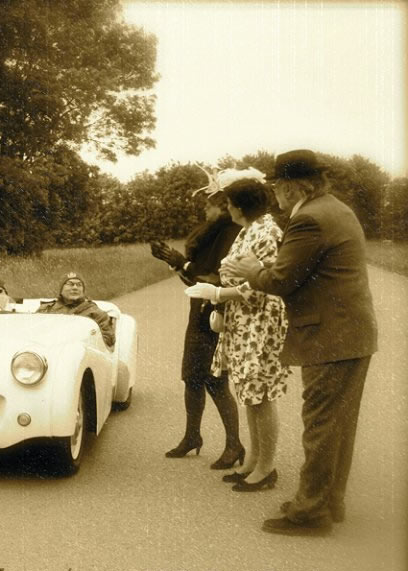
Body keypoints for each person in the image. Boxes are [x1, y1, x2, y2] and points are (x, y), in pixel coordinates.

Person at [222, 149, 378, 536]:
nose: (274, 193)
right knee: (338, 427)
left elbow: (280, 280)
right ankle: (328, 502)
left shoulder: (308, 219)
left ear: (292, 187)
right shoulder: (336, 208)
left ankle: (309, 514)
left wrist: (252, 269)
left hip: (330, 337)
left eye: (277, 186)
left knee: (320, 426)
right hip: (352, 334)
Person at [186, 176, 290, 493]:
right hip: (245, 319)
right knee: (249, 392)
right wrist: (221, 300)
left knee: (261, 394)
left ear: (240, 207)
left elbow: (264, 283)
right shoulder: (249, 229)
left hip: (261, 320)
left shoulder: (267, 232)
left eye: (230, 203)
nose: (227, 208)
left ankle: (266, 468)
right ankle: (253, 461)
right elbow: (235, 272)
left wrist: (218, 294)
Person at [150, 166, 243, 468]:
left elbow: (218, 281)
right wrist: (174, 262)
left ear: (222, 205)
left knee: (215, 380)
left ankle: (234, 445)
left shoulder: (231, 233)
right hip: (200, 312)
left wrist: (184, 264)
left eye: (209, 203)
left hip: (219, 314)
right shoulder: (212, 233)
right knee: (191, 377)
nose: (204, 208)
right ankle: (192, 436)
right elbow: (194, 282)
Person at [38, 272, 115, 348]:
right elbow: (34, 332)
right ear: (61, 289)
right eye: (70, 284)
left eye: (79, 285)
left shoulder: (95, 313)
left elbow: (108, 341)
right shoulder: (47, 309)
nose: (75, 288)